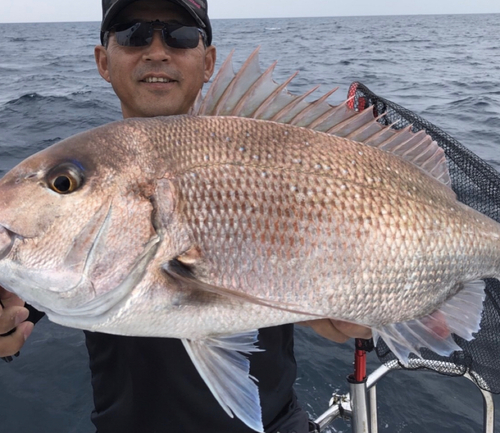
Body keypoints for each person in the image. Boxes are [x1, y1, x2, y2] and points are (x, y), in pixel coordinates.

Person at [0, 1, 371, 432]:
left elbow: (341, 325)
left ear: (208, 59)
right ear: (104, 60)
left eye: (180, 35)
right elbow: (19, 303)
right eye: (133, 32)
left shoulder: (277, 153)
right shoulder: (69, 205)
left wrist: (355, 307)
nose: (157, 50)